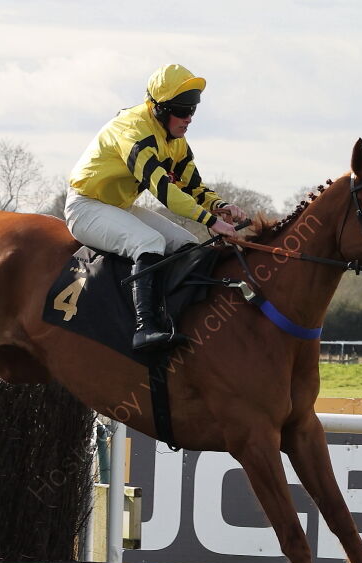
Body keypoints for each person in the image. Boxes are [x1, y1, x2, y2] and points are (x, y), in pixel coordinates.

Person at [65, 63, 246, 351]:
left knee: (188, 244)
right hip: (85, 207)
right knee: (149, 242)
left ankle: (174, 320)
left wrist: (220, 206)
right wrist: (211, 222)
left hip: (117, 207)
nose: (189, 119)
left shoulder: (175, 141)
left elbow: (192, 186)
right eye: (183, 111)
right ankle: (144, 328)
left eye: (193, 110)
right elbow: (164, 190)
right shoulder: (133, 132)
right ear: (160, 109)